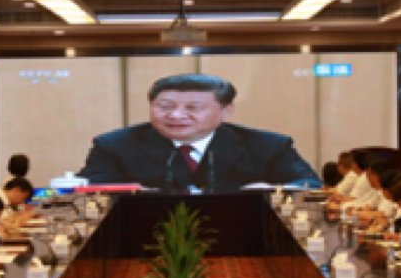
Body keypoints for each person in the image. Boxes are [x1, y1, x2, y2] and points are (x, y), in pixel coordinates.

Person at [78, 74, 319, 192]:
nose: (176, 116)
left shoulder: (268, 145)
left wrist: (270, 191)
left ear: (226, 111)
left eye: (193, 108)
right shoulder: (114, 146)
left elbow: (309, 184)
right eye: (165, 106)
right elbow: (90, 189)